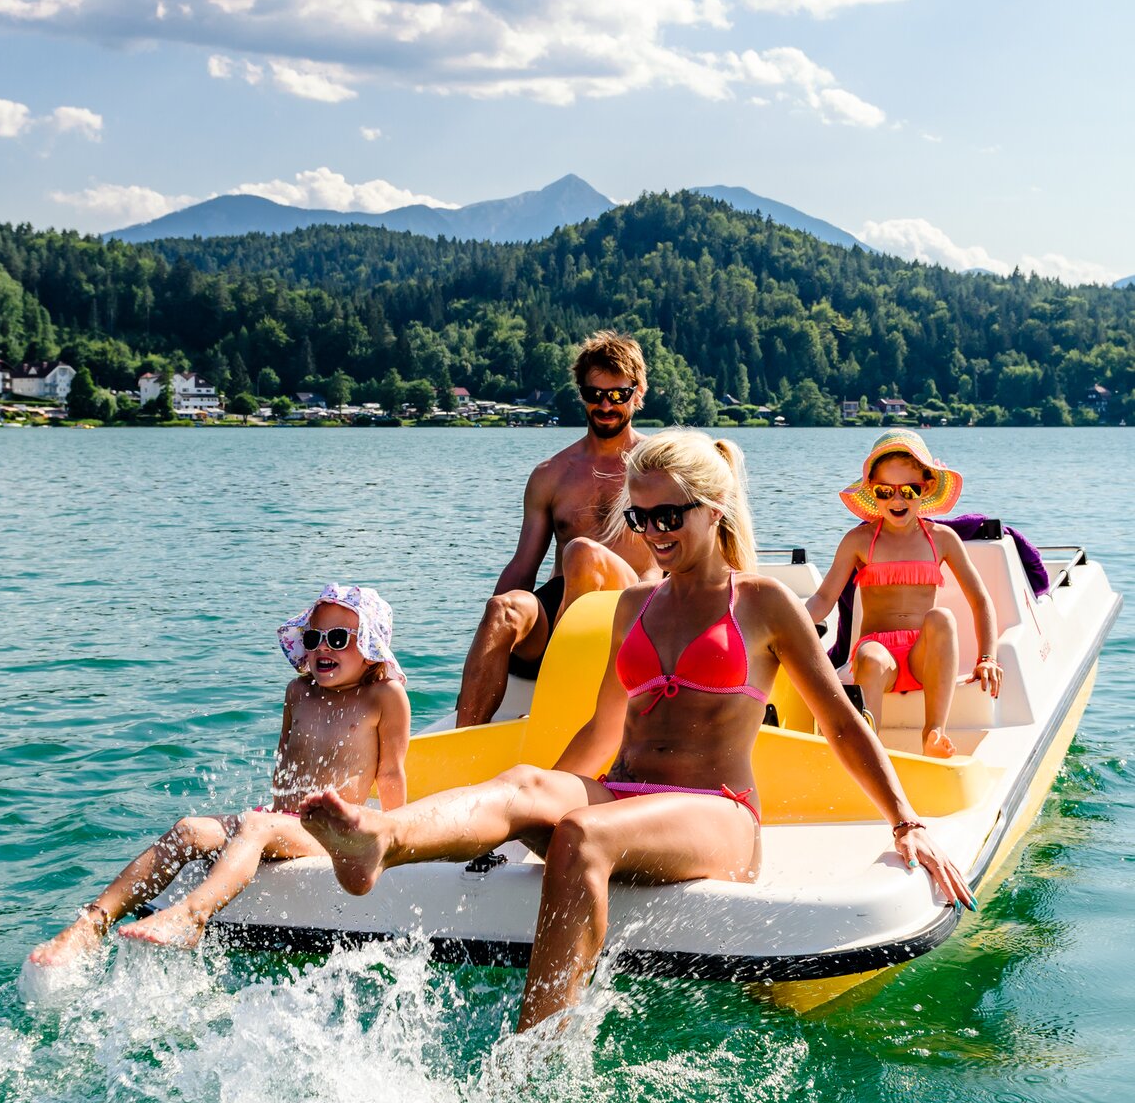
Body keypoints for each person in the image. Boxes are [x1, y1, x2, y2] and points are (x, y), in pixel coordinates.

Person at [300, 431, 974, 1033]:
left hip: (719, 814)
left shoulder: (762, 602)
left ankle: (535, 1059)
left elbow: (839, 722)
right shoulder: (632, 606)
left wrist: (905, 821)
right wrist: (539, 802)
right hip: (624, 794)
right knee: (524, 785)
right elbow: (604, 729)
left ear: (714, 509)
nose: (653, 531)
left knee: (581, 834)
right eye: (640, 516)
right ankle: (381, 840)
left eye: (668, 515)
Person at [27, 585, 410, 964]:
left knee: (258, 826)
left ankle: (193, 915)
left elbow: (391, 774)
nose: (323, 648)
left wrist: (398, 849)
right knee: (188, 830)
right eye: (313, 638)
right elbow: (285, 763)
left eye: (338, 638)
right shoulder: (299, 691)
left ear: (370, 648)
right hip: (285, 823)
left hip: (334, 832)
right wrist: (272, 824)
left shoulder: (384, 696)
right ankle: (90, 925)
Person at [456, 331, 660, 726]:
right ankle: (463, 739)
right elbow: (523, 566)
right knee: (501, 610)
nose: (605, 405)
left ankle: (562, 710)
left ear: (638, 393)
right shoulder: (551, 475)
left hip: (635, 604)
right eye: (594, 394)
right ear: (581, 394)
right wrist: (486, 644)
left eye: (617, 394)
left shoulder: (657, 466)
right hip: (562, 604)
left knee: (583, 553)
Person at [804, 432, 1001, 759]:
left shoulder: (942, 539)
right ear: (873, 490)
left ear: (925, 488)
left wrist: (987, 658)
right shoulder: (859, 540)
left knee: (941, 617)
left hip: (923, 657)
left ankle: (933, 732)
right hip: (878, 656)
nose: (897, 500)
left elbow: (980, 600)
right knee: (871, 656)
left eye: (908, 490)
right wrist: (786, 619)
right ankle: (869, 750)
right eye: (886, 491)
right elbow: (823, 600)